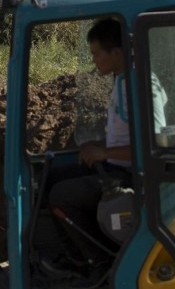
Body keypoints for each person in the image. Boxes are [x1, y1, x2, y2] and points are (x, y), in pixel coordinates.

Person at [43, 17, 167, 279]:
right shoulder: (124, 81)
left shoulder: (136, 85)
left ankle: (96, 261)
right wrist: (101, 145)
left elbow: (153, 144)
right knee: (49, 177)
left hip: (130, 175)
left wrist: (105, 153)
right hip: (117, 164)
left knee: (60, 195)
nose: (94, 60)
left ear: (117, 52)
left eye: (96, 53)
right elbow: (130, 133)